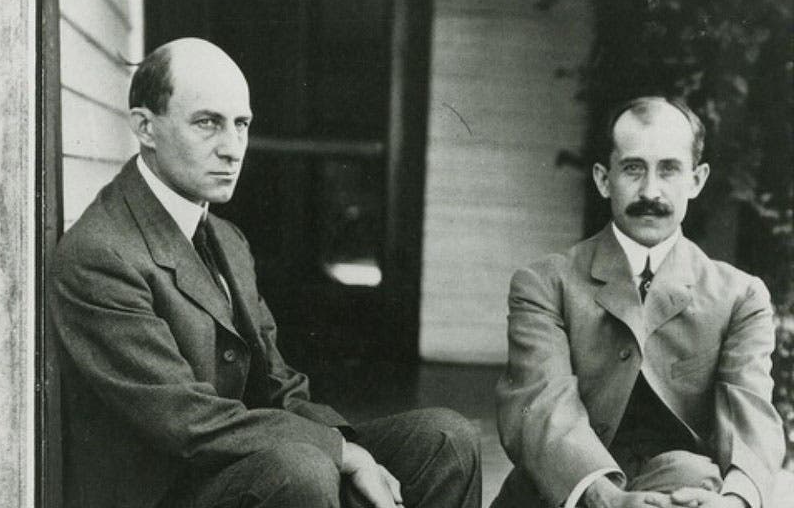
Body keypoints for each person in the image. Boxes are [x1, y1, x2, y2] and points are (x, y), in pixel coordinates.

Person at [50, 38, 481, 508]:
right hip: (168, 490)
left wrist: (346, 447)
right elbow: (186, 420)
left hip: (238, 466)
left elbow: (277, 384)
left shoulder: (226, 239)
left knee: (446, 441)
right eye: (208, 123)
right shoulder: (102, 253)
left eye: (242, 125)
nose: (233, 149)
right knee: (301, 469)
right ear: (145, 127)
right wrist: (339, 453)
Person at [492, 97, 785, 508]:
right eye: (633, 168)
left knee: (694, 474)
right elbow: (541, 407)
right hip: (562, 493)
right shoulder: (545, 284)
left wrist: (735, 501)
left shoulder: (739, 296)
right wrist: (606, 499)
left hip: (682, 492)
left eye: (669, 169)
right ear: (603, 179)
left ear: (697, 180)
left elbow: (750, 414)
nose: (651, 191)